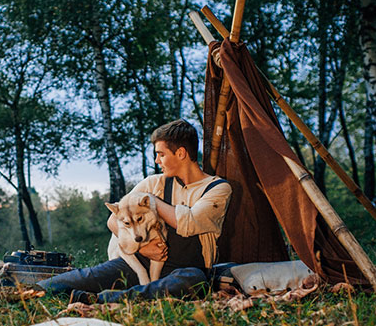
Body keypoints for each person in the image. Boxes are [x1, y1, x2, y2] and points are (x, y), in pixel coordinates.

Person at [37, 119, 232, 304]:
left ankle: (102, 299)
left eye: (161, 154)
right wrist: (140, 248)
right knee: (83, 277)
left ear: (181, 153)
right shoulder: (152, 183)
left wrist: (153, 201)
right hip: (139, 264)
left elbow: (190, 223)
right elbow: (114, 220)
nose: (157, 160)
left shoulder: (217, 188)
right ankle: (22, 290)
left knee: (194, 281)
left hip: (184, 272)